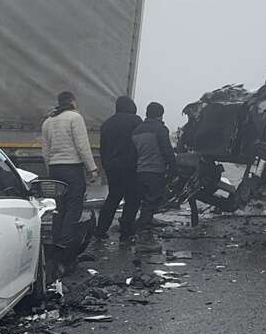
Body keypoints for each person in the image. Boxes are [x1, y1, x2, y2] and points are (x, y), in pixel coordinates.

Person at [41, 91, 99, 255]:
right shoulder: (75, 118)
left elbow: (45, 151)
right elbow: (82, 146)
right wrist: (92, 168)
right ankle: (66, 243)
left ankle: (56, 240)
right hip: (72, 168)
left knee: (59, 207)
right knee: (73, 206)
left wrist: (50, 170)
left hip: (55, 169)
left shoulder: (48, 121)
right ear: (72, 102)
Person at [95, 95, 143, 240]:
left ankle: (100, 230)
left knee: (113, 198)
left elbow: (103, 148)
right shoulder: (136, 121)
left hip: (112, 168)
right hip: (131, 166)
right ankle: (125, 232)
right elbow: (140, 144)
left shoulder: (107, 124)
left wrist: (105, 165)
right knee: (132, 199)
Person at [132, 102, 177, 234]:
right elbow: (167, 150)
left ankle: (145, 221)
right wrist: (173, 168)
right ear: (160, 115)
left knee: (145, 198)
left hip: (140, 170)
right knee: (153, 198)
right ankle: (141, 226)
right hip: (155, 169)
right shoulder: (160, 129)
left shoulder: (137, 130)